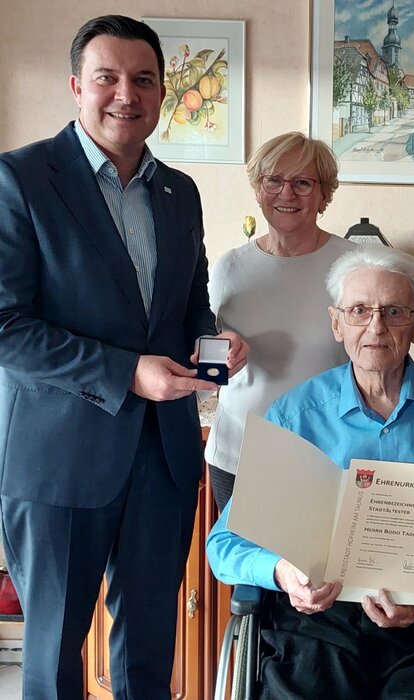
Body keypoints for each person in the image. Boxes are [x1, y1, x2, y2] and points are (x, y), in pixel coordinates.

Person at [0, 15, 248, 699]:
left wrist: (213, 349)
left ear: (163, 94)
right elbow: (6, 327)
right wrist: (123, 370)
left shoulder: (179, 192)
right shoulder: (20, 179)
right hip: (56, 462)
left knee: (148, 654)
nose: (124, 95)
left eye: (143, 80)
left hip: (161, 458)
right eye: (107, 78)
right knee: (53, 661)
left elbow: (188, 307)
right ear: (77, 87)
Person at [207, 246, 414, 699]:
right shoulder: (295, 415)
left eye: (393, 312)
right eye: (359, 311)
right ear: (337, 323)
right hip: (317, 621)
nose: (375, 327)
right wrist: (281, 572)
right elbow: (224, 544)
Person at [205, 131, 355, 512]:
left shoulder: (355, 267)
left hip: (328, 457)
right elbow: (207, 367)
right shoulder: (229, 268)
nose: (286, 194)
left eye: (303, 183)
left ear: (325, 195)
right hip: (239, 456)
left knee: (320, 573)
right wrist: (215, 357)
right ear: (258, 190)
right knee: (246, 573)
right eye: (274, 180)